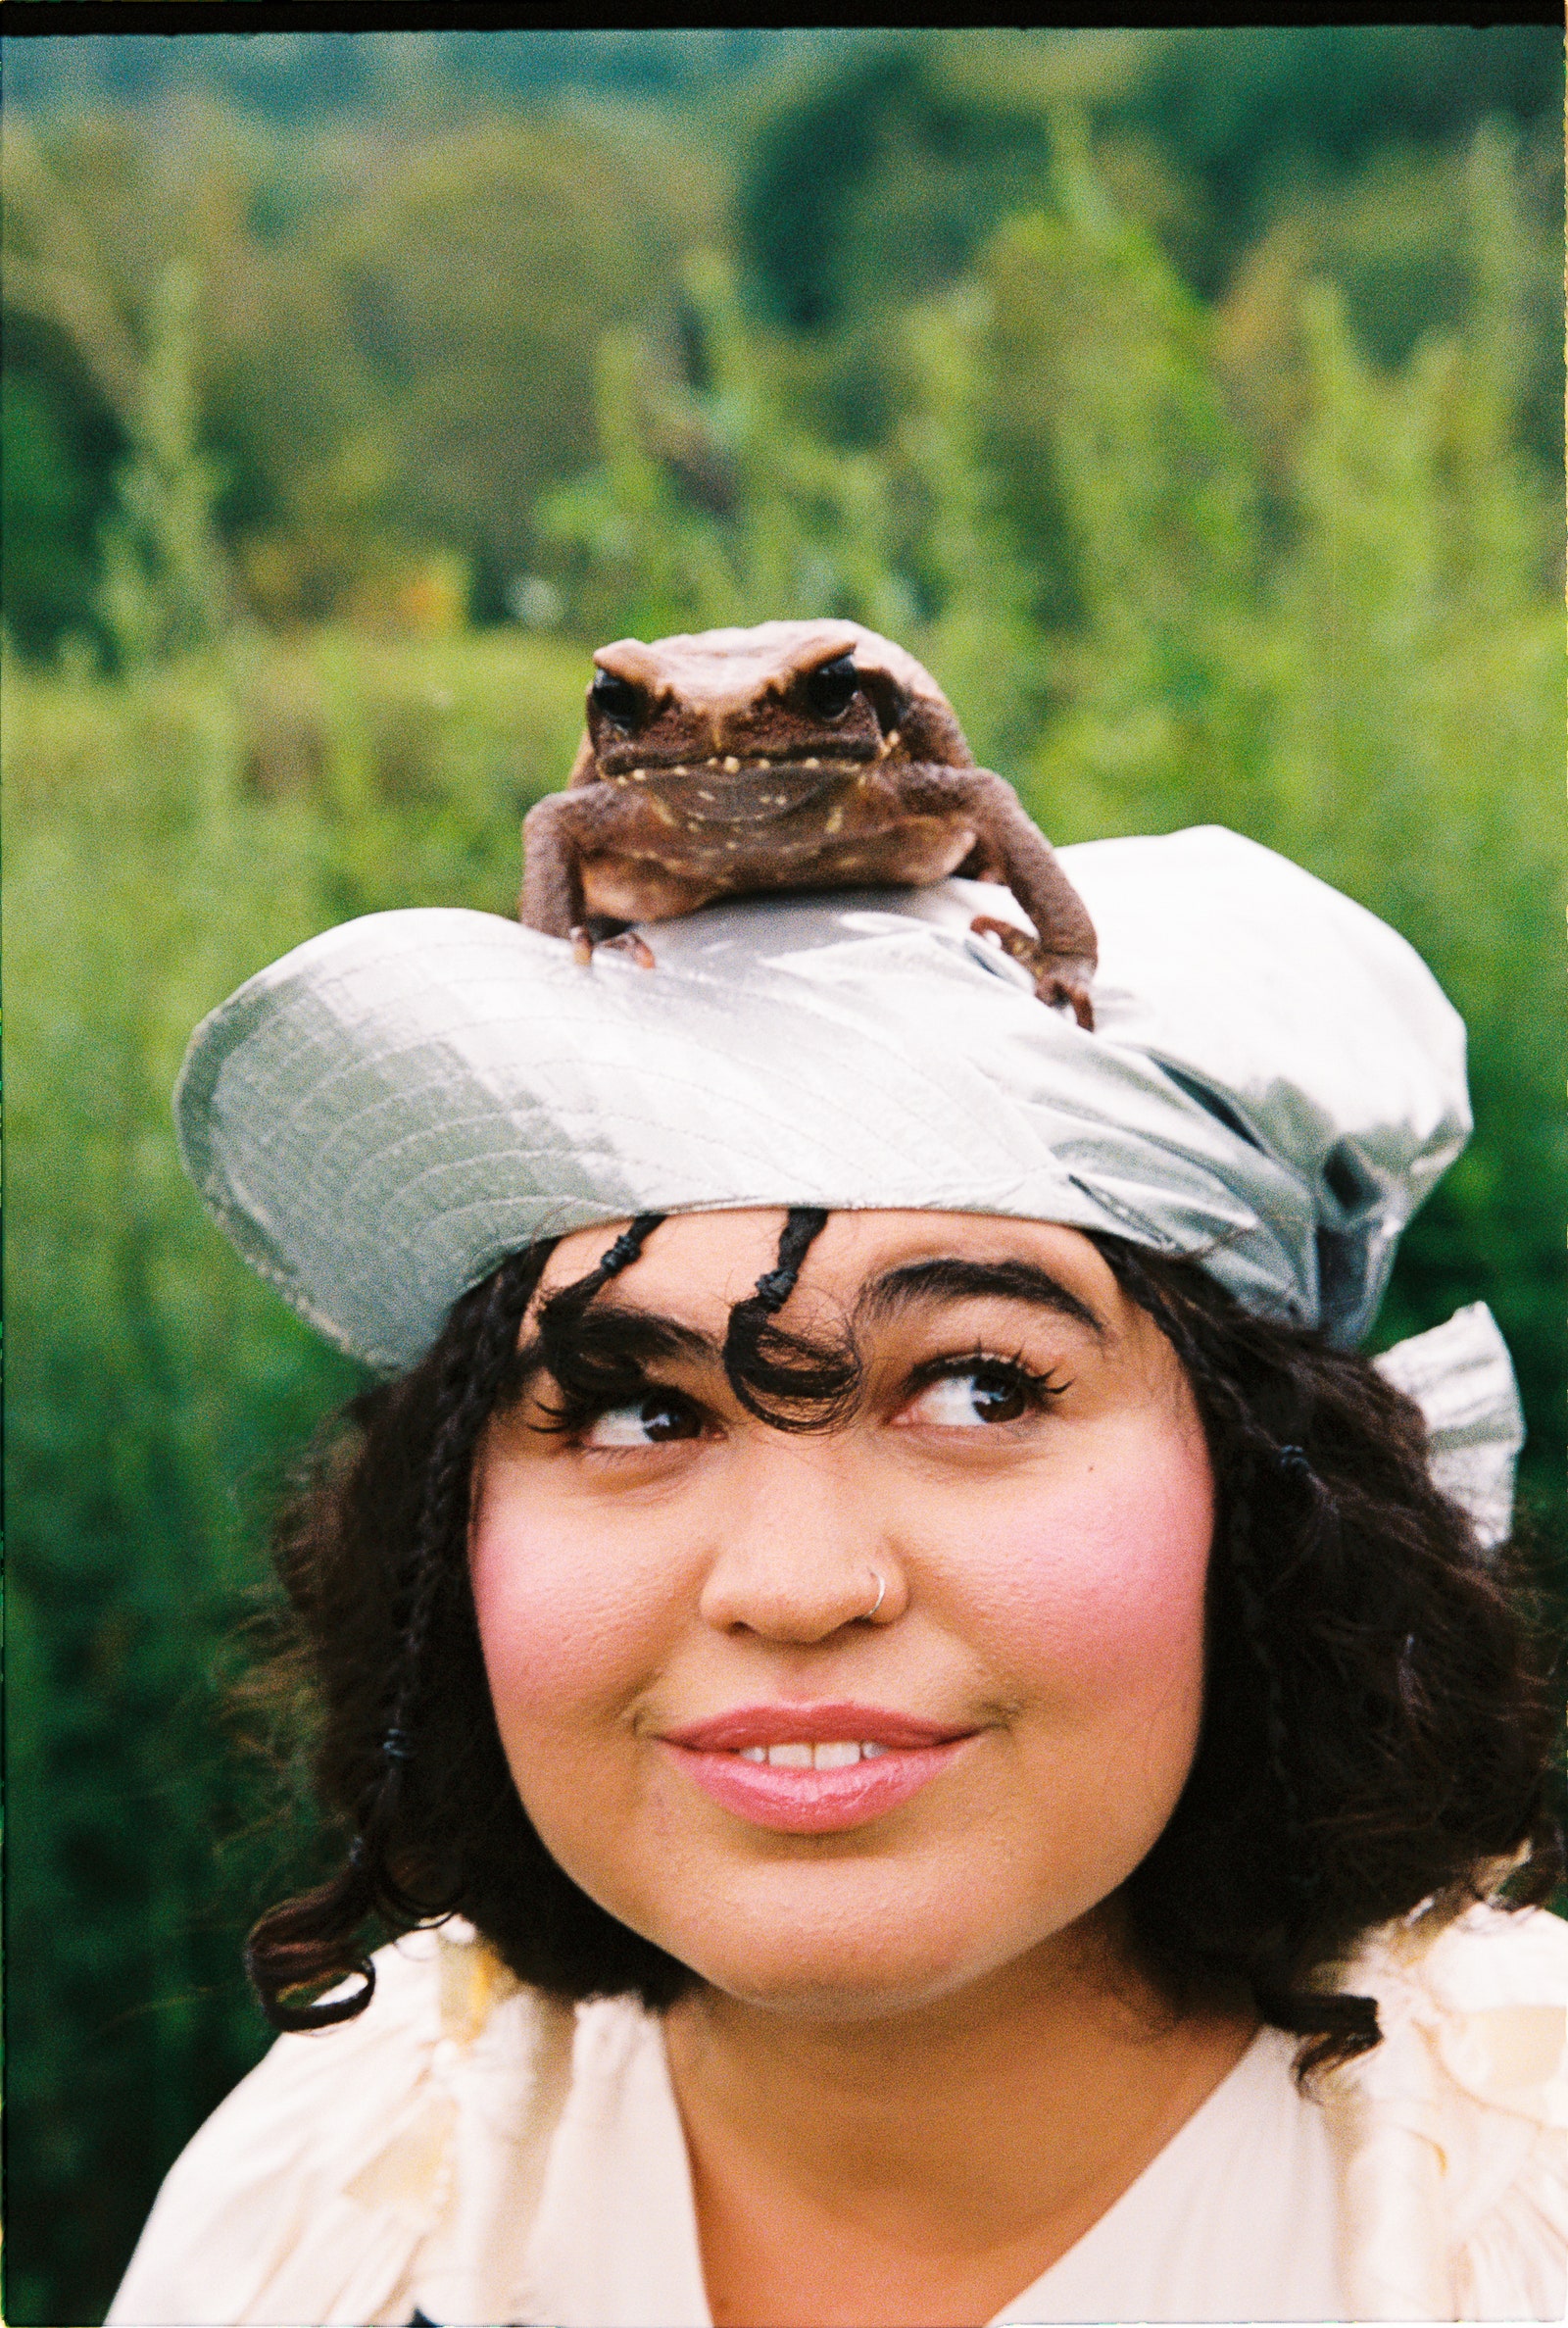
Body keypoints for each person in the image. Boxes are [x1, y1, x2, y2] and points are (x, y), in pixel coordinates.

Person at [108, 825, 1565, 2327]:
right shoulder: (346, 2182)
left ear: (1275, 1494)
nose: (798, 1587)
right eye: (641, 1411)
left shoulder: (1525, 2196)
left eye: (983, 1391)